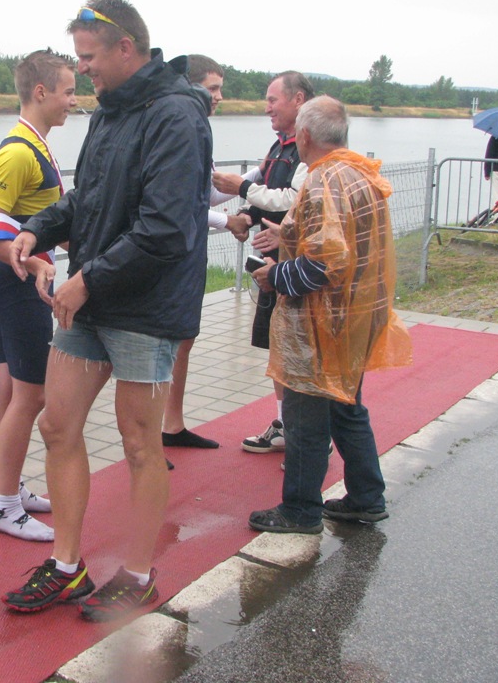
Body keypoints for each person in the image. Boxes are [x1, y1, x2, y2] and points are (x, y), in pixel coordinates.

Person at [3, 0, 212, 621]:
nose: (83, 69)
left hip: (145, 308)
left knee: (141, 442)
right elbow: (87, 199)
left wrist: (87, 280)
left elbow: (166, 228)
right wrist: (37, 228)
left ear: (126, 48)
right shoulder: (110, 112)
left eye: (89, 57)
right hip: (93, 300)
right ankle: (68, 567)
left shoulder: (177, 115)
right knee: (57, 425)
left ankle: (139, 575)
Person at [246, 96, 412, 534]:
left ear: (303, 136)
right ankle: (366, 497)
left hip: (321, 324)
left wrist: (275, 275)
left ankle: (300, 510)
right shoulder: (357, 172)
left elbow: (325, 263)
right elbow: (342, 242)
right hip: (357, 316)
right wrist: (288, 234)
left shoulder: (322, 181)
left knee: (304, 419)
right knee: (345, 407)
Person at [0, 50, 76, 541]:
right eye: (69, 92)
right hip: (19, 285)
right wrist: (32, 263)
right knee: (31, 397)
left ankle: (10, 489)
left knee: (8, 393)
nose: (74, 101)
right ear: (41, 92)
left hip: (20, 281)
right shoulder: (18, 151)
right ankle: (6, 505)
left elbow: (42, 220)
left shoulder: (38, 145)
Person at [212, 71, 314, 454]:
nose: (266, 107)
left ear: (298, 100)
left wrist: (240, 187)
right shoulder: (280, 145)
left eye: (273, 100)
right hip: (273, 263)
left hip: (297, 266)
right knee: (278, 346)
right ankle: (287, 424)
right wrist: (244, 216)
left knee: (297, 348)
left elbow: (292, 199)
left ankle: (307, 433)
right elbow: (267, 194)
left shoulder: (310, 147)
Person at [161, 53, 247, 453]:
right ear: (192, 86)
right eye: (214, 88)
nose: (219, 97)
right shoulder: (180, 128)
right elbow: (181, 202)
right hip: (172, 254)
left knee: (185, 339)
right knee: (164, 344)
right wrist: (227, 222)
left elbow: (206, 193)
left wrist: (255, 179)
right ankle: (148, 436)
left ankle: (172, 424)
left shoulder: (198, 127)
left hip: (191, 251)